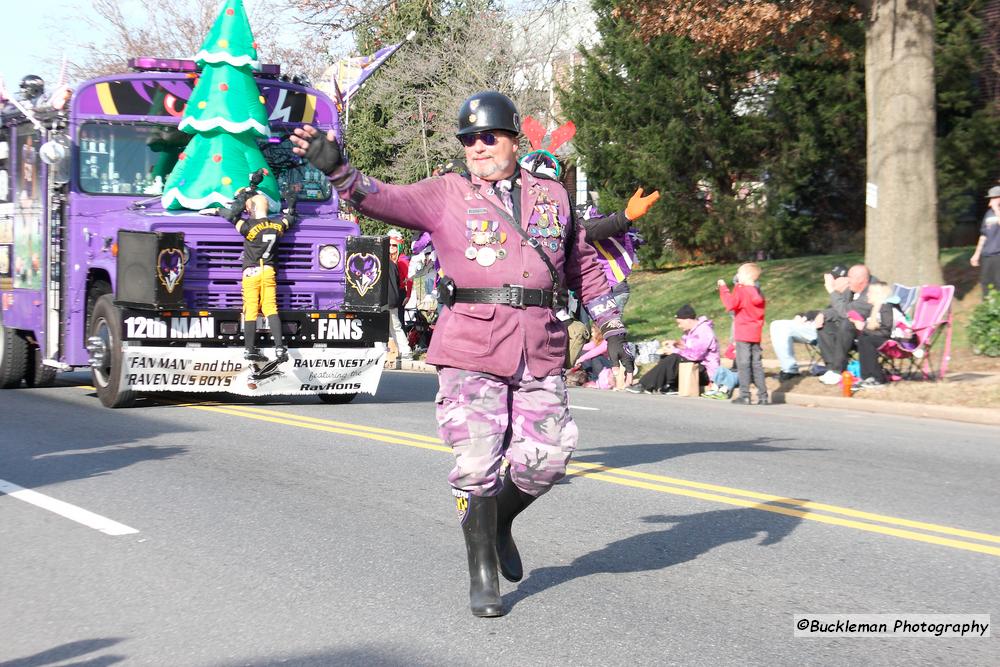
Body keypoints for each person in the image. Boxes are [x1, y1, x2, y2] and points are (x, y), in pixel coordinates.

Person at [290, 90, 634, 618]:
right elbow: (381, 197)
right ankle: (481, 572)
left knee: (548, 460)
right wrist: (338, 169)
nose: (477, 146)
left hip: (539, 345)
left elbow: (581, 266)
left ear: (513, 139)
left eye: (488, 136)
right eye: (469, 139)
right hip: (471, 345)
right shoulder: (446, 193)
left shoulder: (554, 198)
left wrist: (612, 327)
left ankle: (497, 521)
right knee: (476, 464)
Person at [220, 181, 298, 363]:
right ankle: (279, 348)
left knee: (251, 310)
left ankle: (249, 349)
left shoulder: (248, 227)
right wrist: (291, 204)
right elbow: (291, 218)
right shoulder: (277, 225)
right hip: (269, 272)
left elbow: (231, 216)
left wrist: (219, 210)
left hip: (251, 273)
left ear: (250, 209)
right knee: (271, 308)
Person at [626, 304, 719, 394]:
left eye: (680, 323)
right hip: (695, 367)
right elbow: (688, 347)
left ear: (688, 320)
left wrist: (674, 351)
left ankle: (644, 385)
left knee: (674, 357)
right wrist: (675, 344)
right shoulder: (691, 331)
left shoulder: (704, 331)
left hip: (706, 373)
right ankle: (671, 385)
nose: (679, 326)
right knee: (666, 356)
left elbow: (695, 355)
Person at [718, 262, 768, 404]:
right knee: (756, 364)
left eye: (738, 273)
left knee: (743, 363)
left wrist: (723, 288)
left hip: (742, 333)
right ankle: (763, 396)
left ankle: (744, 395)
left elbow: (730, 304)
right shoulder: (759, 293)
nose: (737, 276)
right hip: (755, 333)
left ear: (746, 276)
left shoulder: (741, 290)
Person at [816, 264, 874, 384]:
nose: (848, 280)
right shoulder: (854, 290)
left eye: (850, 278)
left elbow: (845, 313)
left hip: (871, 333)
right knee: (825, 325)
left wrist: (832, 290)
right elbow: (840, 309)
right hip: (851, 331)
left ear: (861, 280)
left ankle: (837, 370)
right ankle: (832, 368)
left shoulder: (870, 294)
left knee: (847, 323)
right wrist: (823, 314)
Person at [386, 228, 413, 361]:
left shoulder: (402, 260)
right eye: (389, 244)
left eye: (394, 245)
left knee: (397, 324)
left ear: (399, 246)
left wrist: (408, 295)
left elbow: (409, 278)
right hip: (390, 293)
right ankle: (397, 350)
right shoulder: (386, 259)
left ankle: (404, 351)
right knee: (392, 325)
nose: (391, 247)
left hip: (397, 293)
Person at [971, 185, 1000, 297]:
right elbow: (983, 235)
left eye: (992, 198)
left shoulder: (996, 211)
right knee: (985, 283)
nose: (990, 202)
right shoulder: (988, 214)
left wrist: (996, 209)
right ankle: (987, 308)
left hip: (998, 255)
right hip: (986, 255)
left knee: (998, 283)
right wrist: (976, 254)